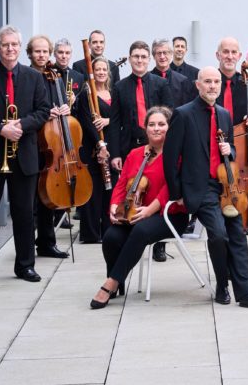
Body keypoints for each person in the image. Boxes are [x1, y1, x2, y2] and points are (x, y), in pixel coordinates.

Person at [163, 66, 248, 310]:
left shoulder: (224, 114)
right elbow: (170, 159)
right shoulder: (183, 114)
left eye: (216, 82)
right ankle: (222, 284)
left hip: (226, 186)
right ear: (198, 85)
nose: (213, 85)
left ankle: (247, 293)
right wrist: (177, 194)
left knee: (238, 235)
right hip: (200, 189)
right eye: (208, 82)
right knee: (219, 235)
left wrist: (230, 150)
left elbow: (232, 150)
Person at [0, 26, 51, 285]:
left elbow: (43, 110)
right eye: (6, 45)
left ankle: (25, 265)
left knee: (25, 213)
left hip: (23, 154)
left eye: (14, 44)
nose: (10, 49)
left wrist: (20, 126)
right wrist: (0, 129)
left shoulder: (34, 78)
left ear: (19, 47)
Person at [89, 106, 189, 308]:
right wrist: (115, 205)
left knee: (141, 231)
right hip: (133, 213)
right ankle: (118, 281)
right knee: (110, 237)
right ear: (145, 128)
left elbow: (170, 188)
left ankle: (111, 283)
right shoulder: (135, 154)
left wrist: (149, 210)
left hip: (168, 215)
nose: (156, 129)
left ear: (169, 128)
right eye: (152, 124)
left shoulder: (176, 154)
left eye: (161, 124)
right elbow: (121, 183)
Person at [109, 41, 174, 261]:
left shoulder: (160, 83)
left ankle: (159, 244)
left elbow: (169, 118)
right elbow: (115, 121)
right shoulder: (119, 87)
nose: (139, 60)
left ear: (149, 59)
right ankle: (130, 230)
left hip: (157, 144)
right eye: (135, 56)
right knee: (133, 190)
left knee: (156, 190)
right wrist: (116, 153)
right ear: (129, 59)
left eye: (143, 57)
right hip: (130, 145)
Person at [26, 34, 70, 259]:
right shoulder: (24, 76)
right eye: (37, 51)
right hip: (31, 141)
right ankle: (26, 247)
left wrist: (64, 109)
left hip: (51, 142)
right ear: (30, 54)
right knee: (30, 200)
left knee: (47, 196)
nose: (41, 55)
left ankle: (46, 243)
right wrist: (45, 113)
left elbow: (60, 104)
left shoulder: (55, 77)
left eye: (45, 51)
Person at [74, 56, 116, 244]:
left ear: (108, 72)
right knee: (93, 192)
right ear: (92, 72)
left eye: (103, 69)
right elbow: (85, 122)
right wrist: (99, 145)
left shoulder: (114, 92)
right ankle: (90, 234)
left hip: (111, 149)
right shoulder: (86, 94)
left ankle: (108, 229)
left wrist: (108, 121)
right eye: (97, 69)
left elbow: (118, 119)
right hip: (93, 149)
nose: (100, 72)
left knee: (110, 191)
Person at [214, 37, 248, 129]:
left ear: (239, 56)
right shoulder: (208, 85)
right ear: (218, 55)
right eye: (225, 52)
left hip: (242, 142)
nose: (230, 57)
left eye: (234, 52)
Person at [152, 38, 195, 106]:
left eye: (165, 53)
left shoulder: (182, 81)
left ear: (171, 54)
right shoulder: (147, 79)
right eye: (159, 53)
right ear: (154, 56)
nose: (162, 56)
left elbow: (185, 108)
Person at [52, 38, 85, 107]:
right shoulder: (47, 73)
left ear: (71, 55)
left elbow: (83, 104)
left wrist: (75, 100)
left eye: (67, 53)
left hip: (72, 116)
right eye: (60, 52)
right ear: (54, 54)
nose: (64, 56)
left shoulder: (79, 77)